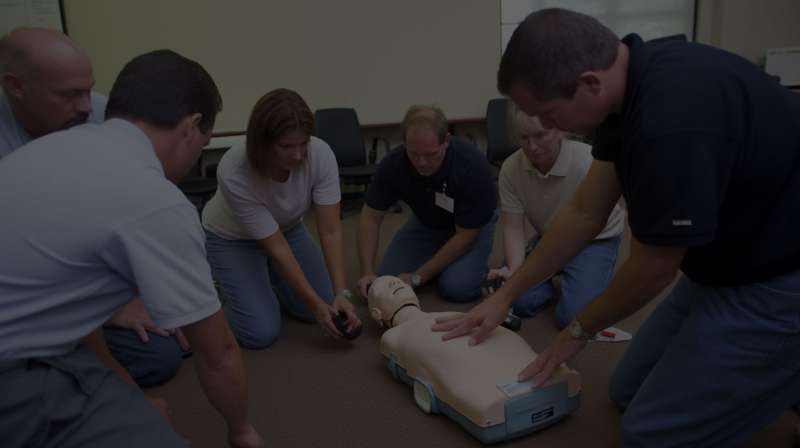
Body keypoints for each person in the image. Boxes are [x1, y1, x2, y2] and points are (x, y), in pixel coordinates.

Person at [434, 8, 800, 446]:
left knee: (647, 436)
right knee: (625, 390)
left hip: (778, 279)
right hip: (724, 260)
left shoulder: (670, 125)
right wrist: (507, 295)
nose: (546, 128)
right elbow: (585, 212)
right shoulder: (629, 77)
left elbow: (654, 268)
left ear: (589, 82)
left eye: (549, 114)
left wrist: (578, 331)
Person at [0, 49, 263, 447]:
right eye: (203, 143)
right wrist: (242, 431)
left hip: (35, 338)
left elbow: (75, 318)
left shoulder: (48, 150)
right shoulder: (155, 200)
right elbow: (219, 354)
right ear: (192, 127)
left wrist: (129, 402)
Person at [0, 27, 186, 388]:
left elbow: (136, 207)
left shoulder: (101, 113)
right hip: (26, 297)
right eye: (70, 95)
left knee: (174, 333)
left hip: (90, 263)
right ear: (15, 86)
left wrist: (135, 294)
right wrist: (111, 309)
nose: (87, 106)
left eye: (88, 89)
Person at [202, 88, 360, 349]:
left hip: (287, 230)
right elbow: (276, 249)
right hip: (232, 239)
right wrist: (316, 304)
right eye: (286, 146)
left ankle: (263, 282)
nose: (298, 155)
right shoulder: (234, 169)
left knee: (324, 304)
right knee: (260, 331)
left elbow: (331, 230)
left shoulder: (321, 155)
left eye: (303, 143)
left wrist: (340, 293)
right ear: (261, 142)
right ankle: (220, 288)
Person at [367, 275, 580, 443]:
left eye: (397, 281)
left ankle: (550, 374)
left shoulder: (447, 313)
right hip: (450, 363)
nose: (395, 282)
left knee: (501, 344)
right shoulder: (392, 336)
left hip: (482, 348)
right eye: (386, 287)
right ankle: (501, 395)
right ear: (377, 313)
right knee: (461, 363)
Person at [488, 108, 625, 326]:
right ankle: (558, 276)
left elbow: (589, 221)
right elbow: (513, 227)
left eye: (540, 135)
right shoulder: (510, 168)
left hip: (594, 239)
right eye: (524, 137)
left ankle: (581, 275)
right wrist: (515, 270)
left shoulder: (588, 162)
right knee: (518, 301)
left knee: (573, 318)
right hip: (551, 236)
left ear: (561, 129)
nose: (532, 147)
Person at [357, 105, 497, 302]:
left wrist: (417, 277)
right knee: (387, 280)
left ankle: (467, 267)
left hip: (472, 227)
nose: (422, 163)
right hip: (427, 222)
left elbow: (465, 237)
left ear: (446, 141)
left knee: (456, 287)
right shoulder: (394, 163)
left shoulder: (471, 165)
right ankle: (443, 263)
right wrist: (367, 272)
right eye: (414, 154)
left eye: (430, 154)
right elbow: (370, 216)